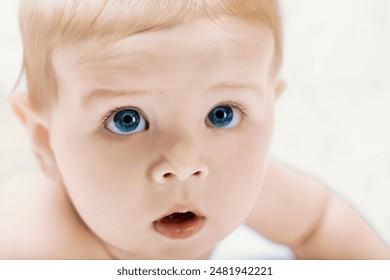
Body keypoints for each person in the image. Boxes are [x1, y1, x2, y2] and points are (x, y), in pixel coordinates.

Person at [1, 0, 389, 259]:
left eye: (222, 114)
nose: (185, 163)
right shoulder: (28, 243)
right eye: (127, 119)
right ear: (43, 138)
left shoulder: (233, 182)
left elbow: (320, 222)